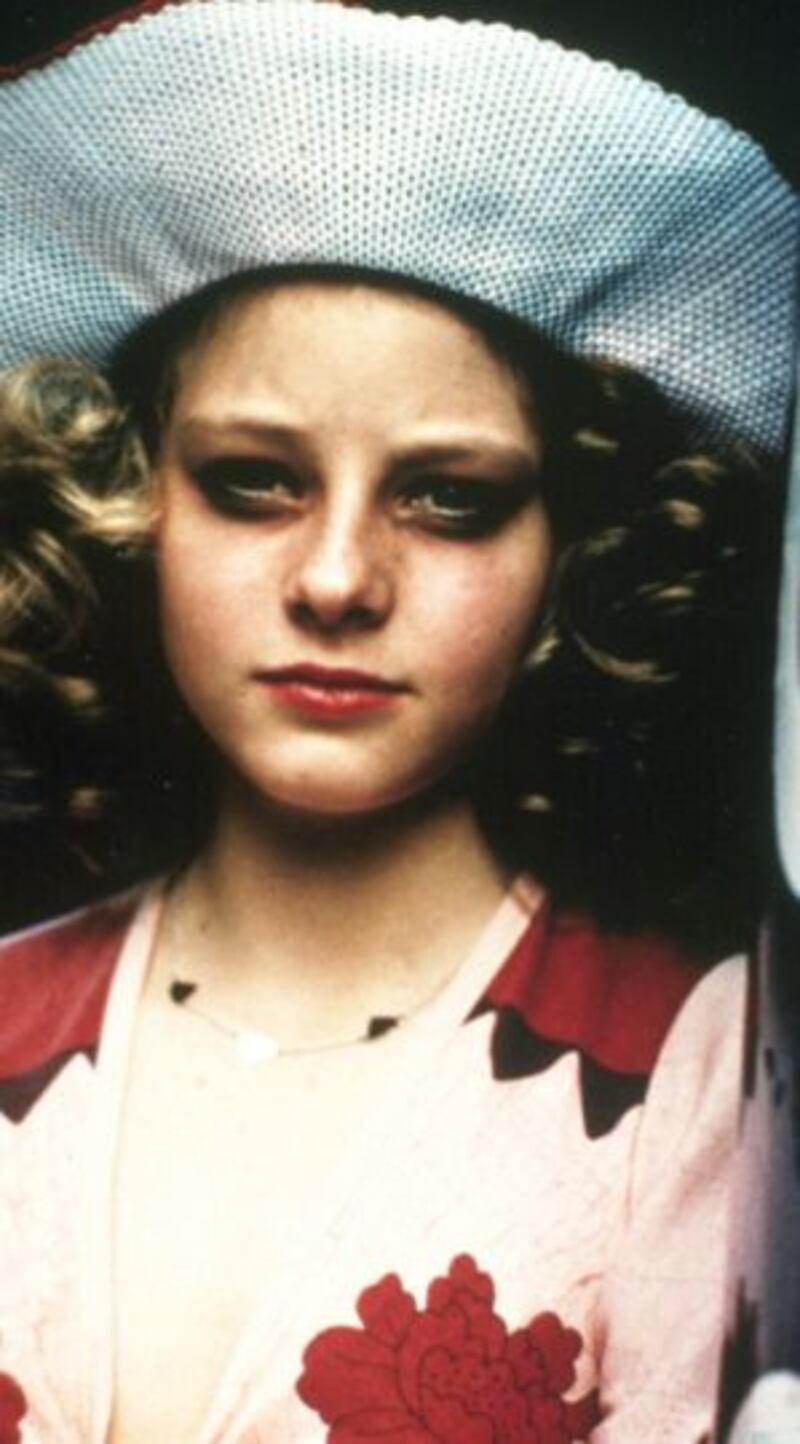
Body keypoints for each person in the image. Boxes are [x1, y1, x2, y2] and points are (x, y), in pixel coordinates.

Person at [0, 3, 795, 1442]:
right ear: (131, 497)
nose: (336, 580)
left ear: (574, 549)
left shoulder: (702, 1059)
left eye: (450, 499)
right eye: (254, 480)